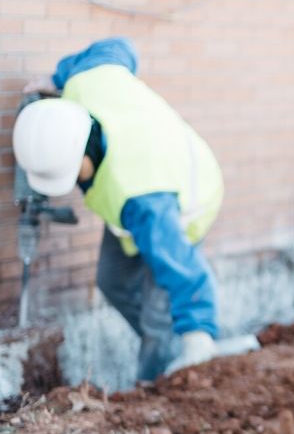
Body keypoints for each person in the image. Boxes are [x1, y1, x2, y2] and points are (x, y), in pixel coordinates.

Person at [13, 37, 224, 381]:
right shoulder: (85, 81)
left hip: (186, 193)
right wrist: (59, 77)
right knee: (111, 279)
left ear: (83, 154)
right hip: (145, 182)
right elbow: (117, 47)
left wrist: (197, 333)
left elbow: (183, 269)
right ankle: (168, 349)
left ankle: (159, 386)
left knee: (159, 318)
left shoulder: (141, 200)